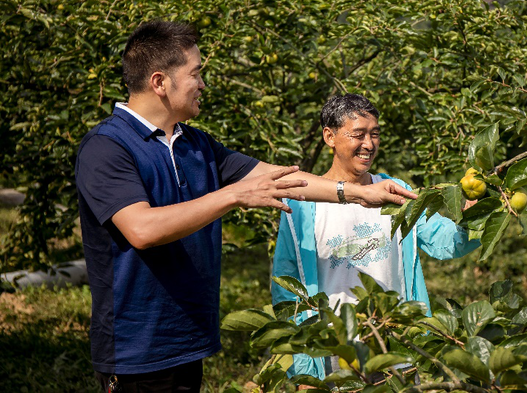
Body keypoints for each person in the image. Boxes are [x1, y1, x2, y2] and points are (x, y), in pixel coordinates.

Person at [75, 21, 415, 393]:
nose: (203, 84)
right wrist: (234, 195)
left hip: (188, 340)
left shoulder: (196, 144)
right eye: (196, 74)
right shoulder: (107, 147)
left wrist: (358, 194)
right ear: (160, 82)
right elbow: (142, 230)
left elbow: (280, 178)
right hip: (135, 349)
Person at [271, 93, 480, 380]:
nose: (369, 144)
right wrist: (305, 370)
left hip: (396, 347)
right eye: (358, 134)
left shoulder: (394, 192)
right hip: (334, 357)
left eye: (375, 134)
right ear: (330, 137)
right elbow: (287, 290)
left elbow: (445, 242)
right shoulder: (302, 206)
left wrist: (475, 217)